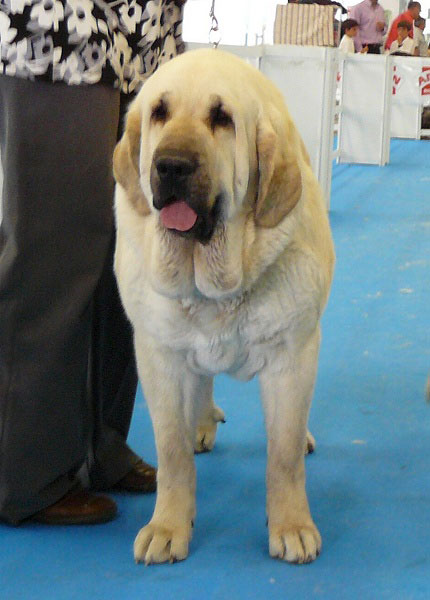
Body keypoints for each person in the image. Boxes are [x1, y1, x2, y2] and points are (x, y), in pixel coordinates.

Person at [0, 0, 187, 526]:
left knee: (124, 257)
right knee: (52, 256)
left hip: (143, 41)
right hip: (61, 31)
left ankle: (101, 446)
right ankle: (26, 475)